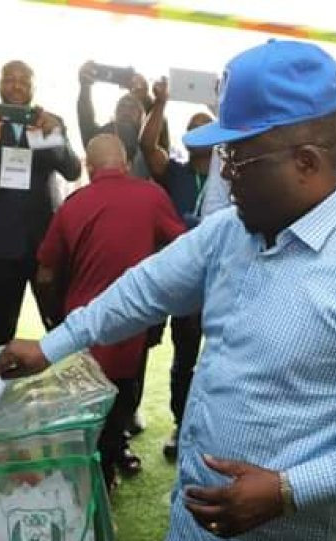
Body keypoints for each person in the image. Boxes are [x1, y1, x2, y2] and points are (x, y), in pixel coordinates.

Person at [0, 39, 336, 541]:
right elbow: (143, 290)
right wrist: (50, 346)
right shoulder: (230, 233)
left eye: (238, 157)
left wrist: (287, 490)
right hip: (211, 536)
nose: (225, 173)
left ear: (306, 161)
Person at [36, 134, 186, 490]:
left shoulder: (73, 204)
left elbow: (44, 273)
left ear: (89, 167)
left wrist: (53, 316)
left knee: (86, 407)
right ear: (125, 162)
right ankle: (113, 456)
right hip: (132, 322)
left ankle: (97, 471)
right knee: (122, 393)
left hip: (81, 325)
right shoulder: (152, 196)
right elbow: (182, 246)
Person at [0, 60, 81, 346]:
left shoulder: (50, 123)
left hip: (45, 246)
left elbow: (73, 171)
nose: (17, 86)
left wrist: (54, 139)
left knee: (60, 326)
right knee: (2, 330)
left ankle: (69, 388)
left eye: (24, 80)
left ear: (33, 87)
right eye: (10, 79)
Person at [139, 76, 214, 461]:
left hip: (211, 279)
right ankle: (161, 421)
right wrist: (160, 103)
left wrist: (222, 109)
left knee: (201, 357)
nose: (197, 133)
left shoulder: (227, 173)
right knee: (165, 352)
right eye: (192, 128)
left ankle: (193, 427)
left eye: (207, 128)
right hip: (174, 274)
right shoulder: (176, 172)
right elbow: (146, 145)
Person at [77, 62, 155, 178]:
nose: (126, 110)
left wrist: (145, 96)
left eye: (133, 106)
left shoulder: (150, 142)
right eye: (122, 106)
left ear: (142, 116)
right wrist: (85, 86)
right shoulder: (104, 134)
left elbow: (155, 120)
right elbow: (85, 120)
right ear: (115, 113)